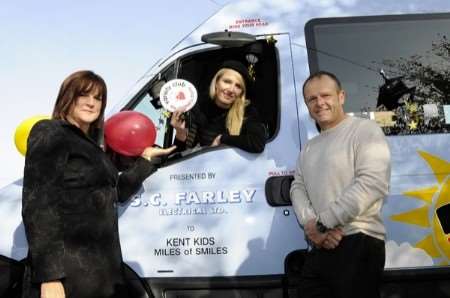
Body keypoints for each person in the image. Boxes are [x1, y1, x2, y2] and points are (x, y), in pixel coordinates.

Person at [21, 70, 175, 298]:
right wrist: (50, 277)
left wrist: (146, 160)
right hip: (68, 271)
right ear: (67, 97)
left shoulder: (94, 148)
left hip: (102, 270)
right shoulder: (50, 131)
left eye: (98, 98)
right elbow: (38, 204)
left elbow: (116, 192)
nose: (92, 103)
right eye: (84, 95)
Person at [290, 71, 391, 298]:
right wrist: (312, 225)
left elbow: (372, 184)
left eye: (325, 95)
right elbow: (297, 188)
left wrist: (324, 223)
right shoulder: (309, 147)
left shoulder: (365, 131)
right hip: (319, 245)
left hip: (359, 241)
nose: (319, 103)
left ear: (341, 96)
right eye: (312, 99)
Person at [170, 60, 266, 153]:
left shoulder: (247, 111)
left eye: (238, 86)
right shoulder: (200, 109)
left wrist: (222, 139)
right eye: (227, 82)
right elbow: (180, 160)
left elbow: (257, 143)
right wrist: (180, 133)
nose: (231, 89)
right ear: (216, 83)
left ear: (241, 93)